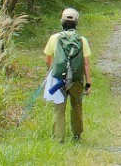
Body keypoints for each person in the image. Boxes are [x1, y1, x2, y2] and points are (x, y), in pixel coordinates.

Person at [43, 7, 92, 143]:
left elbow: (48, 59)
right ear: (76, 23)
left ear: (62, 22)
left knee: (59, 109)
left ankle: (59, 138)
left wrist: (54, 72)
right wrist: (88, 83)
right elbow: (86, 64)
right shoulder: (82, 40)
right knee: (76, 107)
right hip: (76, 80)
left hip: (59, 80)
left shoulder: (54, 38)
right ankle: (77, 135)